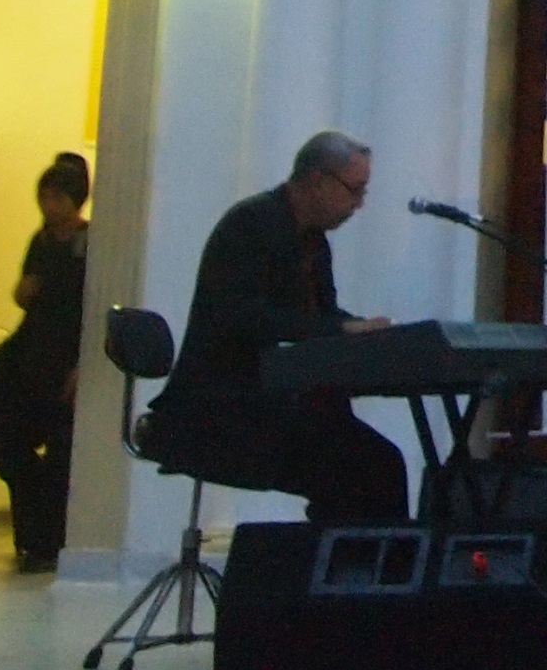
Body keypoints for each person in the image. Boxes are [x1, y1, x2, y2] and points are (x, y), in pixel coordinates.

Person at [142, 131, 409, 527]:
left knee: (379, 464)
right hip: (225, 403)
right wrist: (344, 329)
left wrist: (363, 333)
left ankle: (351, 577)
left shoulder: (314, 242)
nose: (359, 204)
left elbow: (320, 316)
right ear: (318, 181)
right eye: (355, 190)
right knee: (359, 468)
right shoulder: (249, 225)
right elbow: (241, 318)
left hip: (276, 400)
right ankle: (322, 577)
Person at [0, 152, 92, 572]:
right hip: (33, 351)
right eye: (44, 198)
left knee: (63, 452)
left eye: (57, 198)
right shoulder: (40, 241)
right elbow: (24, 292)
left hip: (67, 356)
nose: (49, 207)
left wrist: (83, 365)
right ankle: (30, 537)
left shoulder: (89, 242)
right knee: (11, 444)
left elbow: (89, 305)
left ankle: (52, 540)